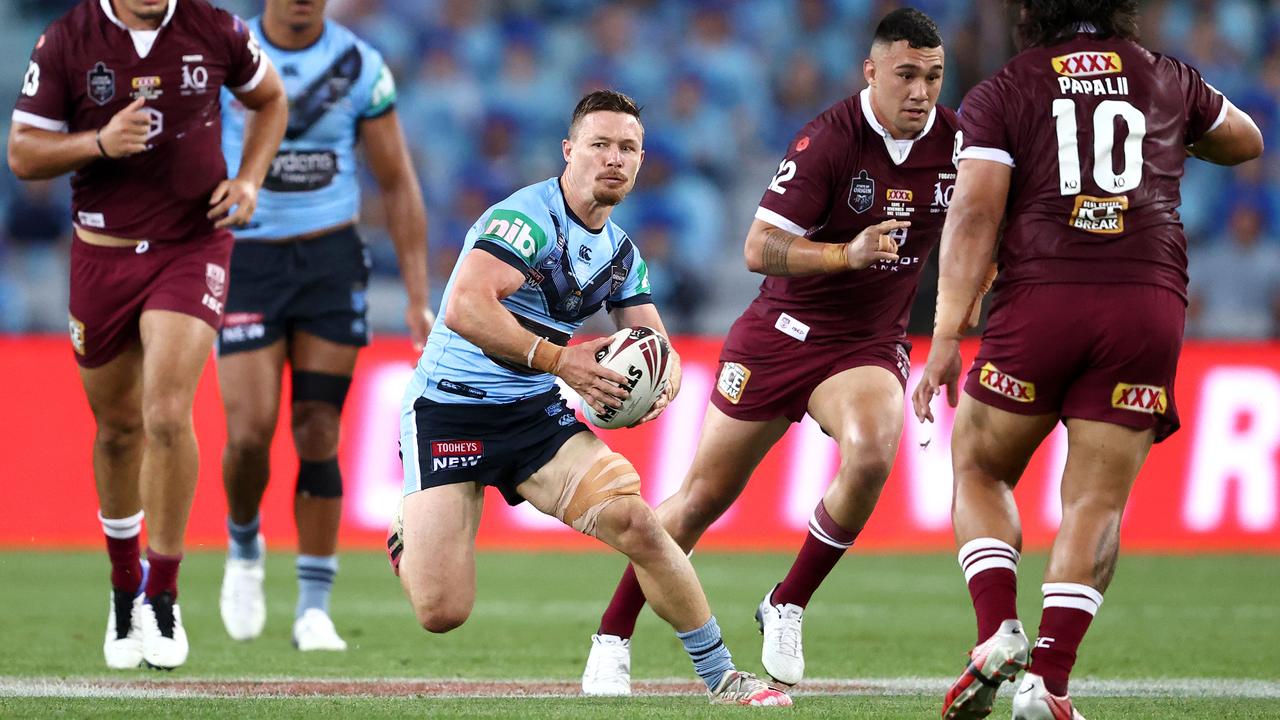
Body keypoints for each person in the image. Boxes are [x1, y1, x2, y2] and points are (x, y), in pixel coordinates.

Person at [582, 8, 956, 694]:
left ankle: (787, 601)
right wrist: (849, 252)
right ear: (871, 73)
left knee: (873, 450)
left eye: (933, 76)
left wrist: (958, 326)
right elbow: (758, 249)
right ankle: (612, 634)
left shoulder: (958, 146)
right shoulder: (829, 141)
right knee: (700, 500)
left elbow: (981, 229)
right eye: (905, 74)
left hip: (866, 344)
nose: (920, 91)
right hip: (782, 333)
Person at [910, 2, 1263, 718]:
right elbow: (1246, 141)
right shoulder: (1168, 79)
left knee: (980, 465)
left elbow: (976, 212)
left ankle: (996, 632)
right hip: (1146, 302)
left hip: (1041, 301)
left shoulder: (1006, 88)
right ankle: (1050, 683)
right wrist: (1174, 137)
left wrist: (947, 331)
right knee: (1095, 501)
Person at [388, 89, 790, 707]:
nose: (614, 159)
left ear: (641, 159)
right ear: (568, 152)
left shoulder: (620, 251)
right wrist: (563, 362)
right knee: (442, 612)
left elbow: (653, 333)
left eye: (628, 148)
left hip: (530, 413)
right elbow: (466, 306)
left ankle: (723, 677)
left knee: (638, 523)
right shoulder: (525, 219)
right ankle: (405, 533)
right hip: (450, 406)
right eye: (600, 145)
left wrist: (664, 374)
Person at [7, 0, 286, 670]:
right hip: (100, 251)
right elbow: (22, 153)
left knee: (166, 413)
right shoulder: (67, 40)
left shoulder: (213, 28)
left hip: (191, 247)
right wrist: (98, 143)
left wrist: (248, 178)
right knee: (118, 429)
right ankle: (123, 585)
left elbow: (270, 100)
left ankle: (162, 593)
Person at [215, 0, 431, 653]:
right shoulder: (227, 54)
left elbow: (396, 183)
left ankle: (313, 605)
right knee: (250, 432)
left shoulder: (359, 65)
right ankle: (245, 540)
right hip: (246, 256)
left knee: (317, 429)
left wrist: (419, 296)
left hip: (331, 261)